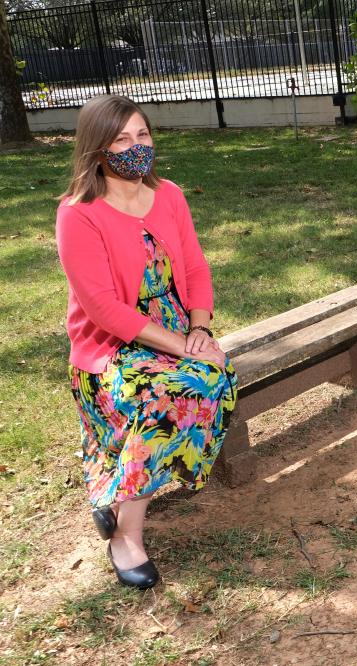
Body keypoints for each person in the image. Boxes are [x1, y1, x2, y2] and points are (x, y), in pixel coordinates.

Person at [56, 95, 237, 589]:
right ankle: (126, 534)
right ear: (97, 150)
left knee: (212, 377)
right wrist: (183, 347)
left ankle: (113, 494)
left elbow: (196, 268)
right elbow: (103, 309)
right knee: (168, 395)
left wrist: (198, 331)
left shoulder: (170, 195)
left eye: (142, 135)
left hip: (177, 329)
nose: (136, 147)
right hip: (113, 345)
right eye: (120, 139)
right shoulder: (78, 214)